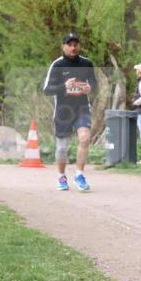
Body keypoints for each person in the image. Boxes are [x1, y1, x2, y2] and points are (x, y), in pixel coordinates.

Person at [42, 32, 98, 192]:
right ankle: (61, 176)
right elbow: (46, 90)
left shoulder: (87, 64)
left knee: (85, 138)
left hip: (82, 108)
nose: (73, 47)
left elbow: (94, 83)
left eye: (76, 44)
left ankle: (79, 175)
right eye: (70, 44)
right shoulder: (57, 65)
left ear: (79, 46)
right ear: (63, 46)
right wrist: (64, 86)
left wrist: (90, 88)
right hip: (63, 111)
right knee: (62, 148)